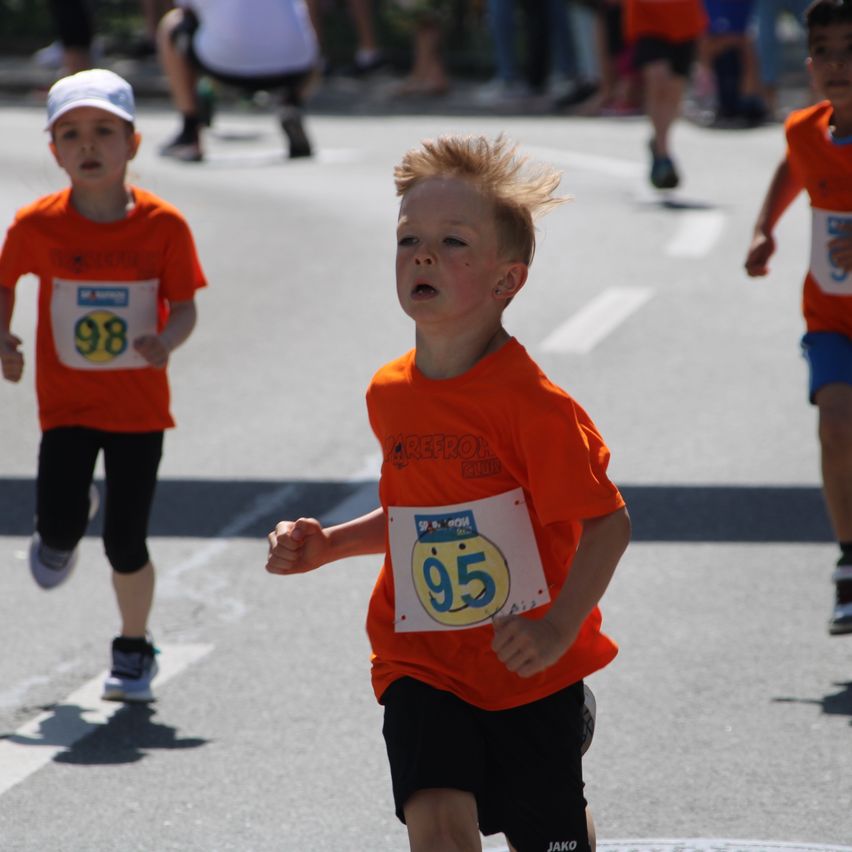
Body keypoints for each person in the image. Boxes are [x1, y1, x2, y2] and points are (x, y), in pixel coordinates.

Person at [266, 134, 631, 852]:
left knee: (548, 835)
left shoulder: (533, 406)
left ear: (506, 281)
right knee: (434, 818)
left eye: (452, 242)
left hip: (527, 661)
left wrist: (557, 629)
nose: (423, 256)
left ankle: (565, 747)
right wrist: (330, 544)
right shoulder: (390, 392)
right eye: (409, 239)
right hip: (420, 656)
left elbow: (608, 525)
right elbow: (418, 514)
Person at [0, 69, 207, 700]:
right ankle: (63, 525)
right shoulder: (37, 225)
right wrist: (4, 337)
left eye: (104, 131)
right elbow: (5, 282)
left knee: (125, 541)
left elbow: (186, 307)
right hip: (66, 405)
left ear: (133, 144)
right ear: (54, 151)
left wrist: (165, 341)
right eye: (71, 134)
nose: (88, 144)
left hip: (139, 411)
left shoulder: (164, 226)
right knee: (59, 530)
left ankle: (133, 649)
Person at [745, 0, 852, 636]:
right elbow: (795, 163)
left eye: (851, 50)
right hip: (830, 315)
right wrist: (766, 228)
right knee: (836, 423)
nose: (839, 64)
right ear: (811, 64)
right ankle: (849, 562)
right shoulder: (805, 130)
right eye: (826, 52)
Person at [157, 0, 319, 162]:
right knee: (307, 29)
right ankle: (292, 103)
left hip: (224, 62)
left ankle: (190, 130)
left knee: (172, 24)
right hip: (294, 66)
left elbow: (187, 8)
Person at [622, 0, 708, 188]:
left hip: (684, 19)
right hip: (647, 18)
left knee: (674, 92)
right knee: (658, 80)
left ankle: (660, 141)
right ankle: (662, 153)